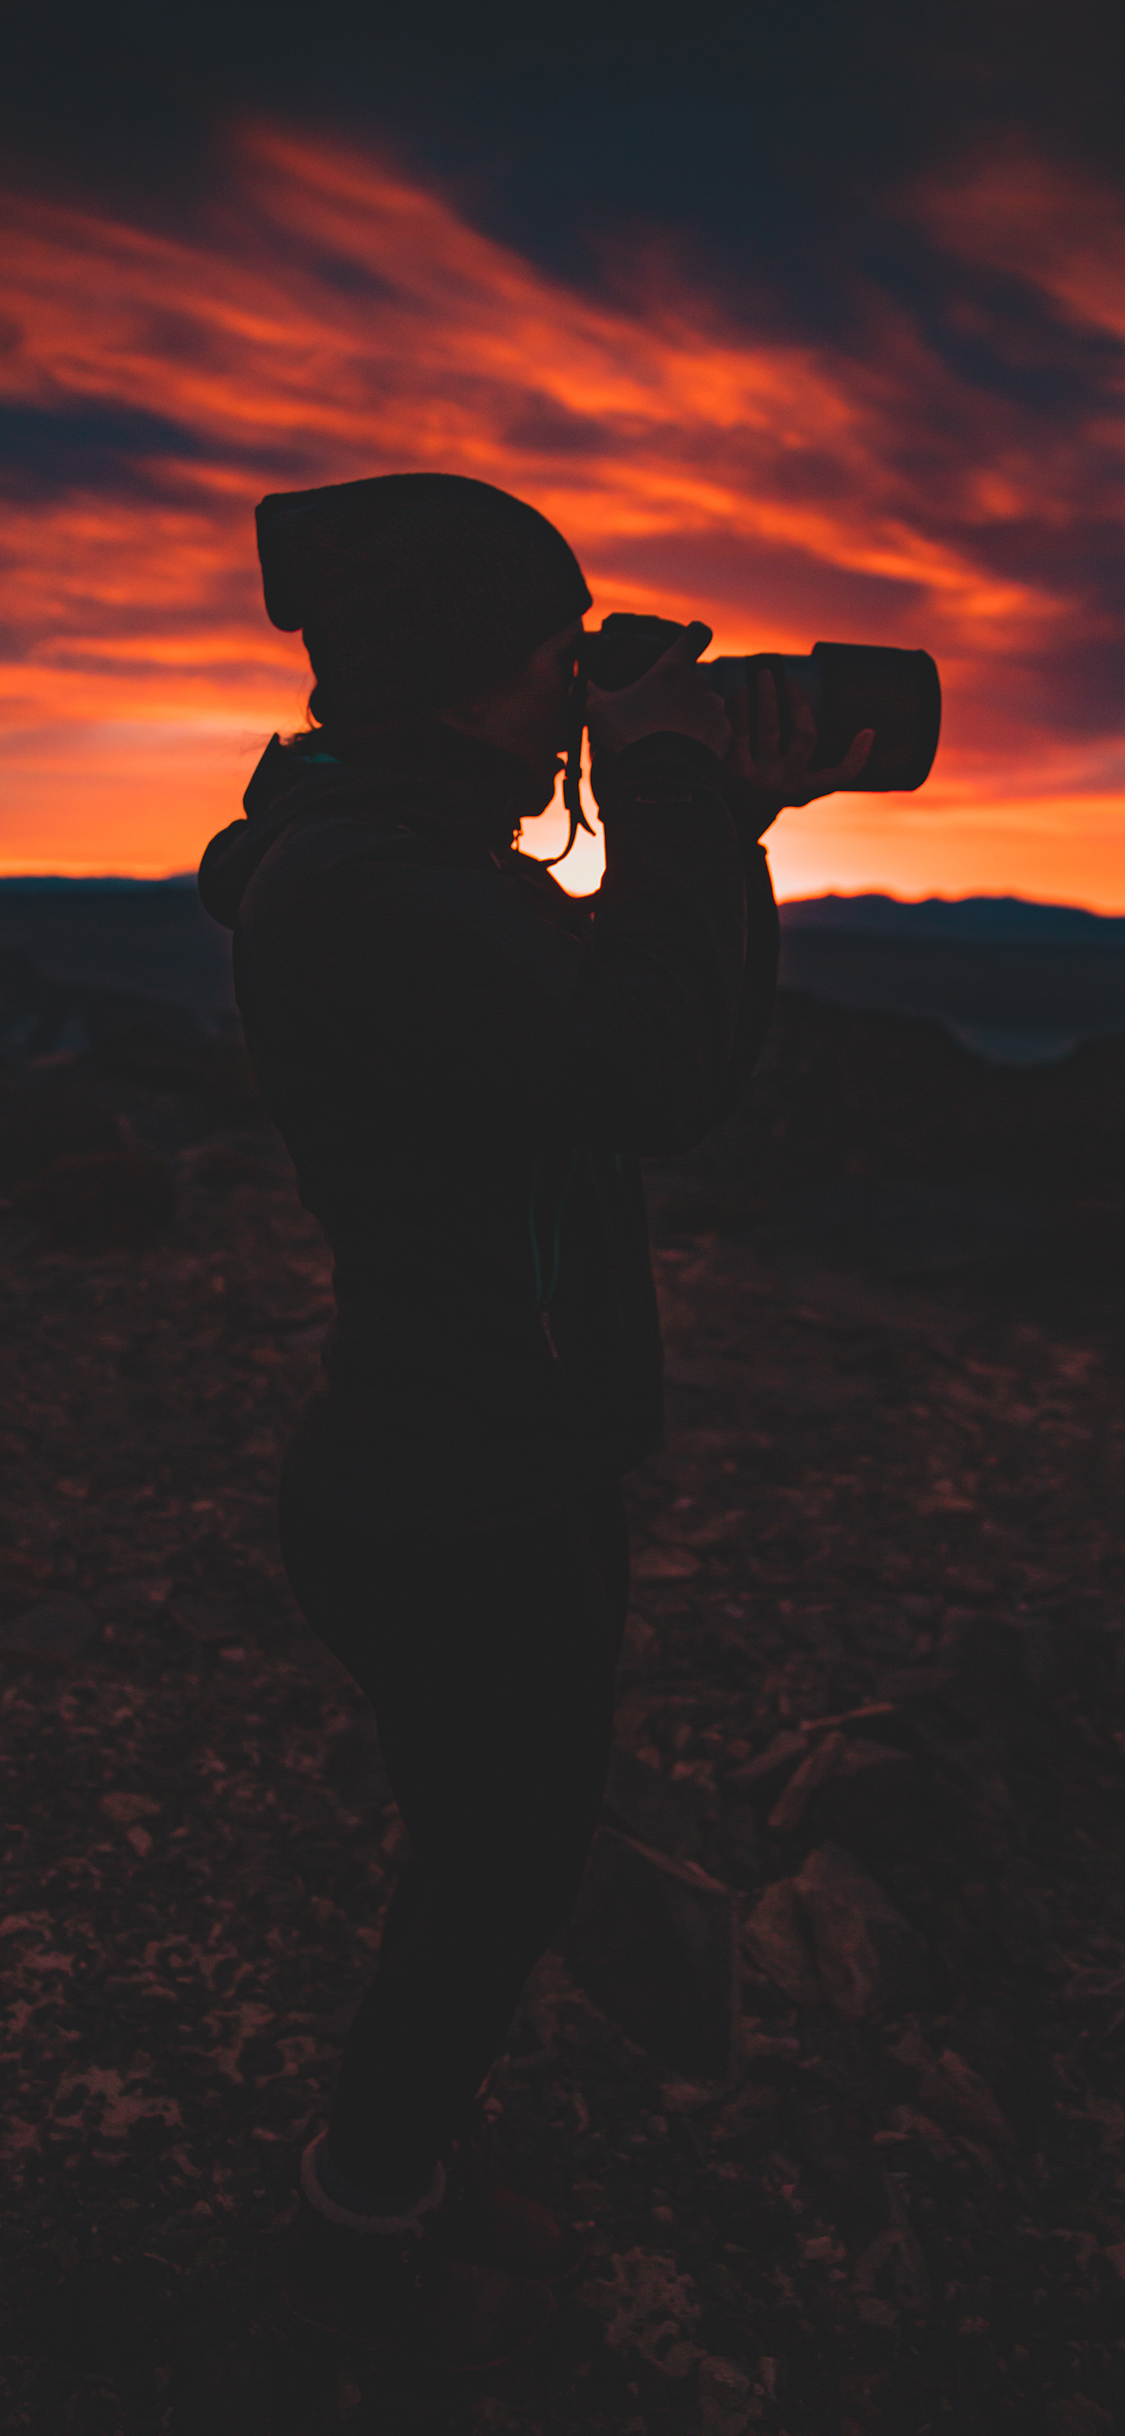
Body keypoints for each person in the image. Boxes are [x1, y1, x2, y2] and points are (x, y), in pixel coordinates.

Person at [197, 472, 873, 2379]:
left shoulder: (384, 850)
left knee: (476, 1857)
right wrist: (670, 792)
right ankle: (360, 2226)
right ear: (462, 666)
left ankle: (406, 2157)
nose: (572, 689)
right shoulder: (377, 884)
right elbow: (655, 1074)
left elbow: (604, 1025)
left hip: (466, 1456)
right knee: (492, 1877)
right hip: (458, 1490)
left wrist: (706, 806)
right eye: (551, 654)